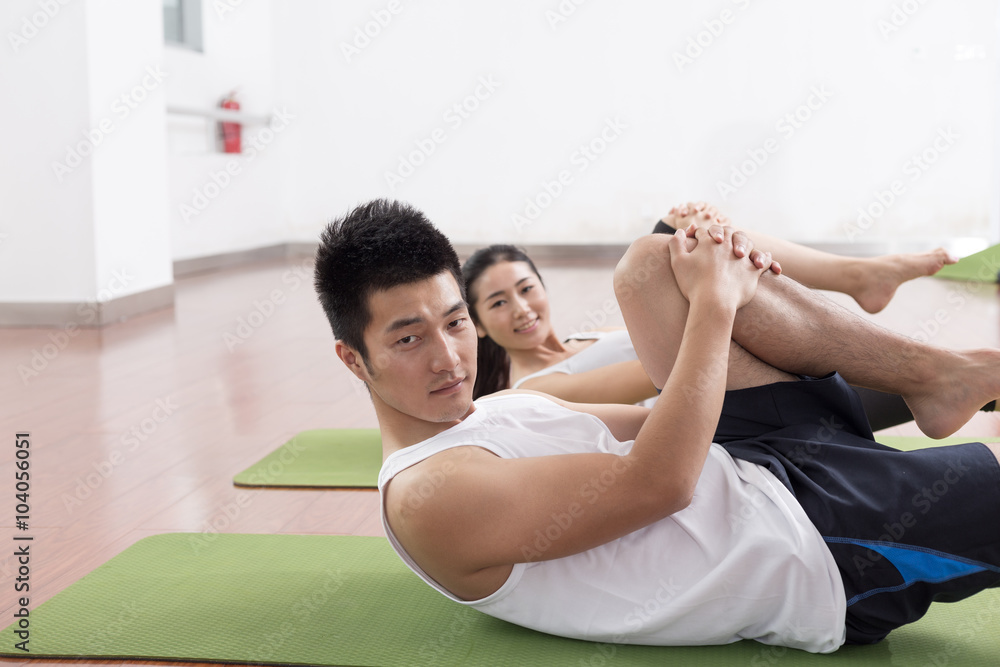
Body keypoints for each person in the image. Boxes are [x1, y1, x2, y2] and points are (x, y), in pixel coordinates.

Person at [313, 198, 1000, 653]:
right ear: (353, 357)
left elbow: (660, 414)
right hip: (807, 542)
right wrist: (714, 301)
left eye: (454, 321)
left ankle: (938, 378)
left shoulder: (492, 411)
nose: (448, 356)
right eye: (408, 339)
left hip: (753, 459)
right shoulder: (427, 496)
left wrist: (700, 269)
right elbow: (661, 481)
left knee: (654, 257)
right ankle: (936, 380)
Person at [463, 204, 973, 430]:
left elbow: (653, 318)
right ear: (479, 325)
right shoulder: (527, 390)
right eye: (499, 303)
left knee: (685, 236)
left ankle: (859, 278)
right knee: (688, 246)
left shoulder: (586, 337)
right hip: (715, 406)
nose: (522, 309)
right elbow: (660, 361)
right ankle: (859, 280)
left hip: (727, 357)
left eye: (526, 289)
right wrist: (711, 292)